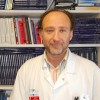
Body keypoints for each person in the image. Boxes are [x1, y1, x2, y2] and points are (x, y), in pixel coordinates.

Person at [10, 9, 100, 100]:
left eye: (62, 30)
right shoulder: (26, 70)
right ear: (41, 34)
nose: (56, 38)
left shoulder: (92, 71)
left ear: (71, 34)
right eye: (49, 30)